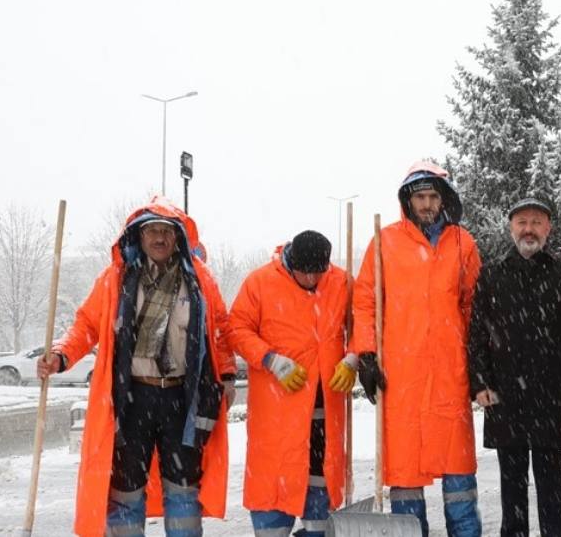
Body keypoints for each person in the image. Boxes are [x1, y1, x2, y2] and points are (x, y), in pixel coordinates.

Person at [36, 197, 236, 537]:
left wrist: (228, 376)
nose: (159, 238)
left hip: (182, 400)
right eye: (152, 231)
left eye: (166, 232)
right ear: (138, 237)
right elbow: (86, 325)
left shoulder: (199, 279)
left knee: (183, 487)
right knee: (126, 486)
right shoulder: (117, 278)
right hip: (132, 399)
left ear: (178, 238)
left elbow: (219, 330)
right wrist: (60, 354)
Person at [351, 160, 482, 536]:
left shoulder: (463, 243)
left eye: (433, 197)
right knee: (405, 471)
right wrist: (367, 354)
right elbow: (365, 302)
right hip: (401, 374)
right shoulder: (386, 241)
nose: (427, 205)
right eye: (420, 197)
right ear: (408, 201)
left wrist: (479, 363)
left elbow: (476, 306)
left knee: (458, 475)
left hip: (449, 372)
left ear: (444, 200)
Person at [468, 197, 561, 537]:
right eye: (522, 222)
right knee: (511, 485)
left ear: (548, 229)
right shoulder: (491, 275)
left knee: (552, 482)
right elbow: (477, 333)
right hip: (504, 395)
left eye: (537, 222)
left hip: (551, 396)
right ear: (511, 228)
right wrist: (480, 383)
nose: (529, 229)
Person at [225, 230, 355, 536]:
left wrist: (353, 358)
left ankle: (316, 531)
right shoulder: (260, 282)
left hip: (325, 410)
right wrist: (271, 359)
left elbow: (363, 324)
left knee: (320, 481)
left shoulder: (341, 282)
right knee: (273, 482)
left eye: (317, 273)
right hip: (277, 410)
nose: (311, 278)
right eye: (304, 272)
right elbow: (236, 329)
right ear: (290, 261)